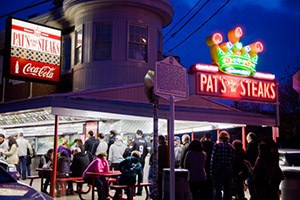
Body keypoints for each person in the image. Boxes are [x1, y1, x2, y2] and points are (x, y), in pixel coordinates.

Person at [210, 130, 236, 200]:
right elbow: (233, 160)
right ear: (228, 138)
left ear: (219, 137)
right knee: (227, 190)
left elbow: (213, 160)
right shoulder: (232, 147)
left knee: (218, 190)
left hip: (218, 171)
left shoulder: (216, 146)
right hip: (228, 171)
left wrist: (211, 172)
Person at [129, 130, 149, 196]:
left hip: (135, 161)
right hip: (142, 160)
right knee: (140, 175)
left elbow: (130, 151)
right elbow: (146, 152)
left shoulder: (134, 141)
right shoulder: (145, 142)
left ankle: (133, 191)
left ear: (136, 134)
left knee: (133, 175)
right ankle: (140, 191)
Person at [201, 132, 215, 200]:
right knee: (210, 182)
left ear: (204, 136)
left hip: (203, 164)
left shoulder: (202, 144)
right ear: (211, 136)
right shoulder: (213, 144)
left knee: (204, 183)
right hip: (211, 165)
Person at [246, 132, 259, 200]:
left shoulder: (250, 145)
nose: (246, 138)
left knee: (250, 183)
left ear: (250, 137)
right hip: (257, 167)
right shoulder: (257, 145)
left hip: (251, 166)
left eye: (247, 137)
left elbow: (247, 155)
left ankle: (253, 197)